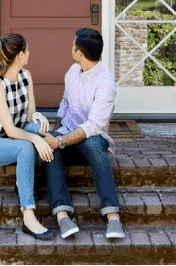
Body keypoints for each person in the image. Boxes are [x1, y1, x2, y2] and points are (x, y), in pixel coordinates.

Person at [41, 28, 125, 240]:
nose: (71, 49)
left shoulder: (105, 83)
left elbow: (92, 126)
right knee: (50, 151)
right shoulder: (72, 71)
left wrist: (59, 140)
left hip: (92, 138)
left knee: (93, 147)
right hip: (67, 134)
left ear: (79, 53)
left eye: (73, 46)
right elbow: (65, 102)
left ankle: (113, 217)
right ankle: (62, 215)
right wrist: (56, 133)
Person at [0, 33, 56, 240]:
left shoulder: (25, 76)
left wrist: (37, 118)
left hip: (17, 135)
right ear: (19, 55)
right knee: (27, 147)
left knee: (43, 133)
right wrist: (34, 139)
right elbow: (10, 130)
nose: (29, 53)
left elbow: (29, 116)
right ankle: (29, 216)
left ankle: (25, 182)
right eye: (26, 50)